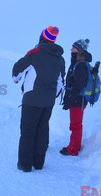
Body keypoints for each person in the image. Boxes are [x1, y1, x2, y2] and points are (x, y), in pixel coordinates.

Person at [12, 26, 65, 172]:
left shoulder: (34, 53)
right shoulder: (60, 58)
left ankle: (25, 164)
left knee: (28, 131)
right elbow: (61, 82)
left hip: (31, 100)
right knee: (42, 130)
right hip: (48, 102)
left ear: (41, 38)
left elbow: (18, 69)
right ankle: (39, 163)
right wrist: (52, 96)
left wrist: (16, 79)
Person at [60, 39, 92, 156]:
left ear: (79, 50)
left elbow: (78, 85)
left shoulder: (81, 65)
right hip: (77, 99)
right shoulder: (77, 63)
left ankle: (73, 149)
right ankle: (74, 145)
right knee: (76, 124)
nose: (71, 49)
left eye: (73, 48)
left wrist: (69, 99)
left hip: (78, 100)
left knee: (76, 125)